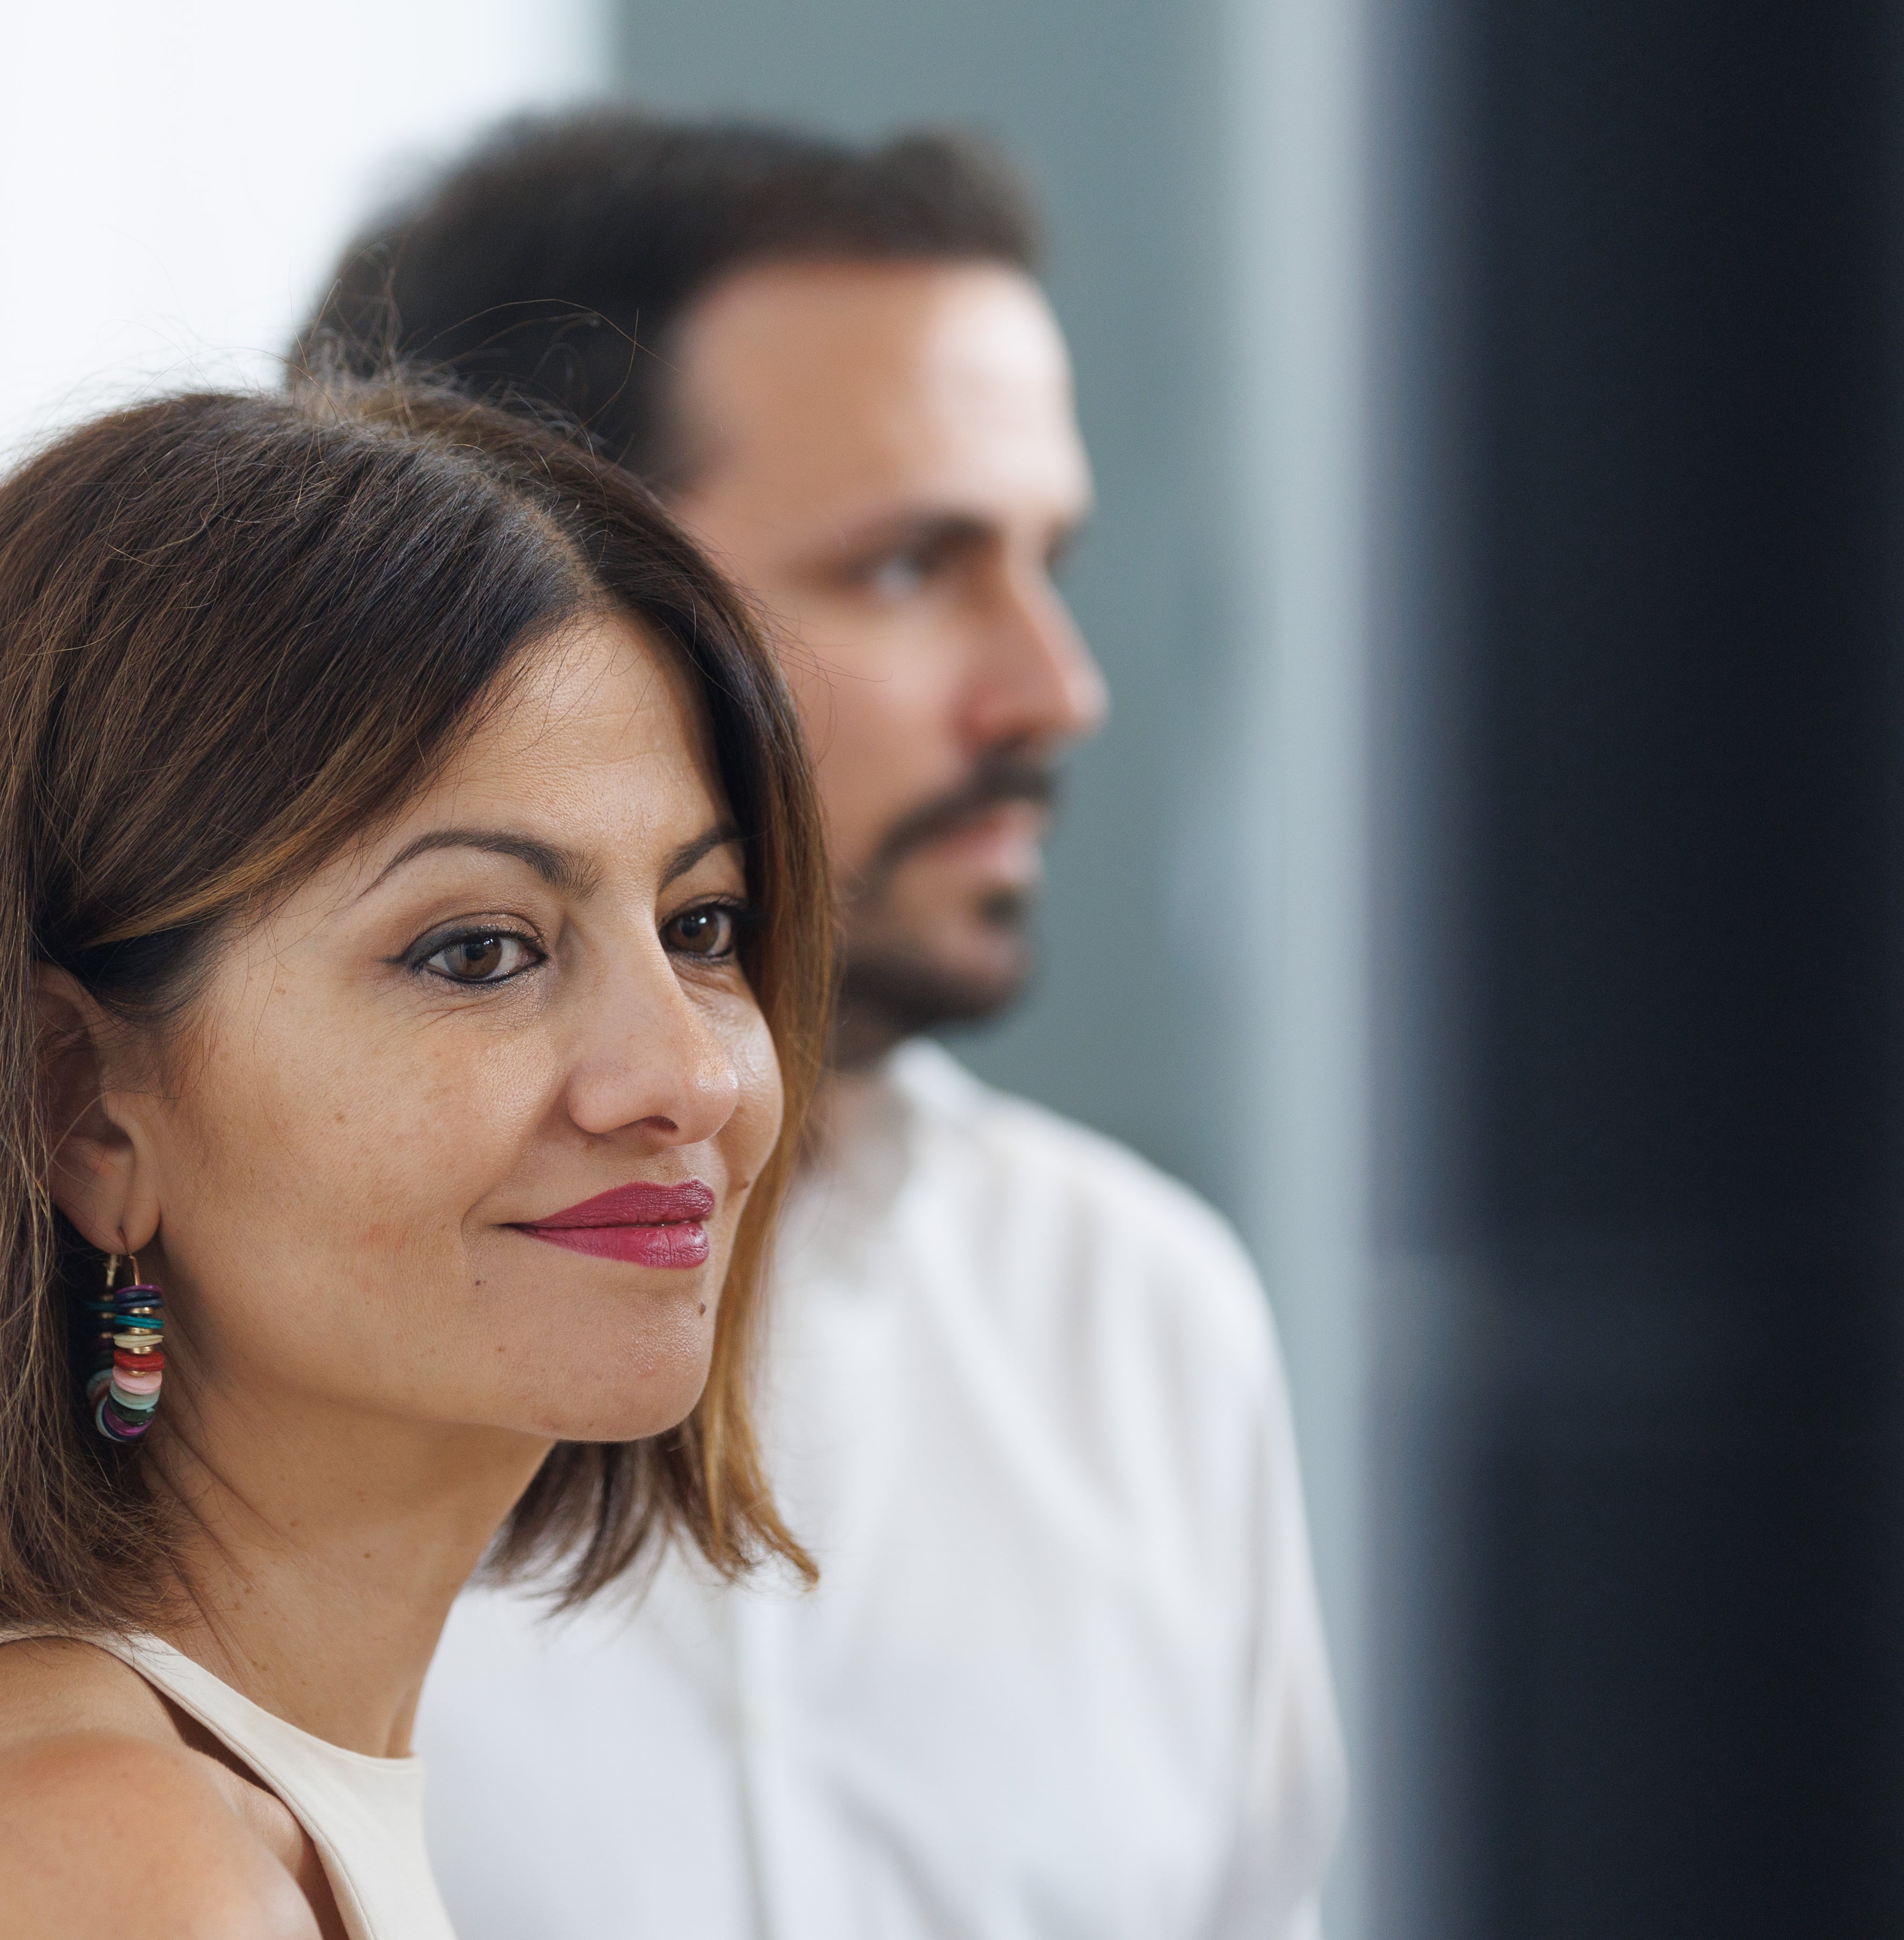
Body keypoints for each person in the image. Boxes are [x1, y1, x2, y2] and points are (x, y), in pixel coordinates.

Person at [301, 113, 1346, 1940]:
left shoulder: (1146, 1325)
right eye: (909, 566)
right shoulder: (210, 1374)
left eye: (1048, 560)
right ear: (515, 598)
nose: (1058, 688)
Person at [0, 379, 834, 1940]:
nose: (684, 1076)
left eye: (700, 927)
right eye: (478, 952)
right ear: (82, 1110)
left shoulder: (159, 1803)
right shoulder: (87, 1865)